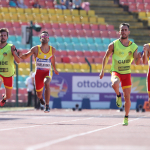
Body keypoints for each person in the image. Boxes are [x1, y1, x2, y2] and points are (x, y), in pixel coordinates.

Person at [99, 23, 142, 126]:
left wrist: (139, 57)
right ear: (119, 32)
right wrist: (102, 70)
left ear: (128, 32)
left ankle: (126, 117)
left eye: (125, 30)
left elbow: (136, 62)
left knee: (127, 97)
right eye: (122, 30)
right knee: (114, 83)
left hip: (126, 73)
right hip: (116, 71)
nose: (123, 32)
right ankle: (118, 95)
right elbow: (106, 56)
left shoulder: (133, 46)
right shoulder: (113, 45)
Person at [20, 31, 59, 113]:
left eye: (46, 37)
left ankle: (47, 105)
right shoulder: (35, 49)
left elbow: (53, 59)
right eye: (43, 37)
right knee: (38, 94)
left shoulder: (52, 50)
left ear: (48, 39)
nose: (44, 38)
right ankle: (41, 98)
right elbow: (26, 55)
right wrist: (19, 55)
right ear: (40, 39)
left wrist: (54, 69)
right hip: (38, 73)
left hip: (47, 72)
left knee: (47, 82)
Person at [0, 28, 21, 107]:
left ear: (7, 37)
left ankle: (4, 99)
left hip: (8, 73)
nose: (2, 37)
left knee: (8, 96)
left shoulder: (11, 47)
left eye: (4, 35)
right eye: (1, 35)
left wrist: (14, 54)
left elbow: (18, 61)